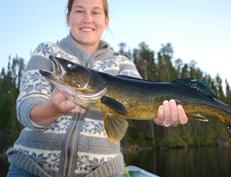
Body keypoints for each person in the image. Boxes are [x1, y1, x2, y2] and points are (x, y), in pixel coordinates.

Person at [6, 0, 188, 176]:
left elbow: (143, 101)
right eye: (79, 10)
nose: (87, 18)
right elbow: (25, 110)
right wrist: (52, 109)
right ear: (68, 18)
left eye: (95, 12)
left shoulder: (122, 63)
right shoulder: (46, 52)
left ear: (106, 20)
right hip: (30, 169)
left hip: (104, 172)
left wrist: (163, 117)